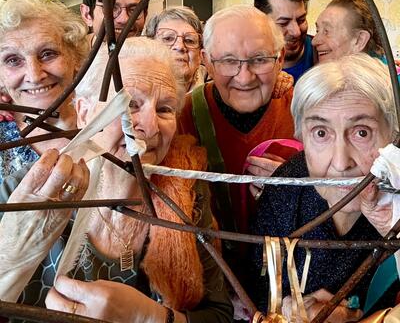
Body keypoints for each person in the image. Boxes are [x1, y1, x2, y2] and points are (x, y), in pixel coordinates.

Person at [0, 37, 233, 323]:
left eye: (164, 109)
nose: (148, 127)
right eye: (129, 104)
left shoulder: (186, 193)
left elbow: (219, 315)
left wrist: (149, 317)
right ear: (84, 112)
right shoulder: (24, 194)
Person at [250, 54, 399, 320]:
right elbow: (260, 290)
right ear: (301, 136)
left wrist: (355, 316)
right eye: (321, 133)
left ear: (393, 135)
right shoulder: (285, 188)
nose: (341, 163)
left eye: (361, 132)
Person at [178, 4, 294, 245]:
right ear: (206, 62)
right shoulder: (182, 117)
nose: (245, 77)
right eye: (228, 61)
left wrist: (298, 183)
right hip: (211, 265)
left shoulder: (305, 113)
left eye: (260, 59)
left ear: (280, 58)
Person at [0, 0, 89, 184]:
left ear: (75, 57)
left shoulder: (104, 121)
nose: (34, 76)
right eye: (13, 60)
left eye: (48, 54)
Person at [0, 149, 89, 302]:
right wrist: (9, 261)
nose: (138, 125)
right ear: (82, 123)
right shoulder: (21, 187)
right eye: (122, 122)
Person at [254, 0, 316, 83]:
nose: (296, 32)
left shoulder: (323, 53)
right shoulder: (246, 64)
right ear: (260, 22)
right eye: (283, 23)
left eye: (301, 20)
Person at [145, 6, 207, 92]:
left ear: (200, 55)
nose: (180, 46)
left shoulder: (216, 91)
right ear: (149, 48)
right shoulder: (132, 92)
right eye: (168, 38)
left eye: (189, 40)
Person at [312, 0, 385, 62]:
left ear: (359, 40)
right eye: (317, 31)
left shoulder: (386, 73)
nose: (314, 41)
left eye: (326, 31)